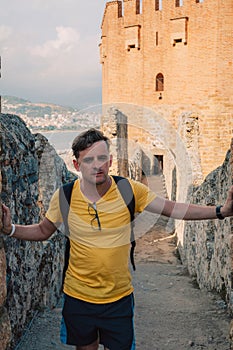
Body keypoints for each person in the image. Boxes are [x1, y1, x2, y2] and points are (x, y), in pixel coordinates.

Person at [1, 128, 233, 350]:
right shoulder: (65, 196)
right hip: (78, 296)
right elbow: (43, 231)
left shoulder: (128, 190)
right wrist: (10, 229)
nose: (97, 165)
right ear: (76, 165)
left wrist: (221, 211)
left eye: (101, 158)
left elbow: (173, 209)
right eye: (88, 160)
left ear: (110, 161)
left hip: (118, 297)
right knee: (85, 346)